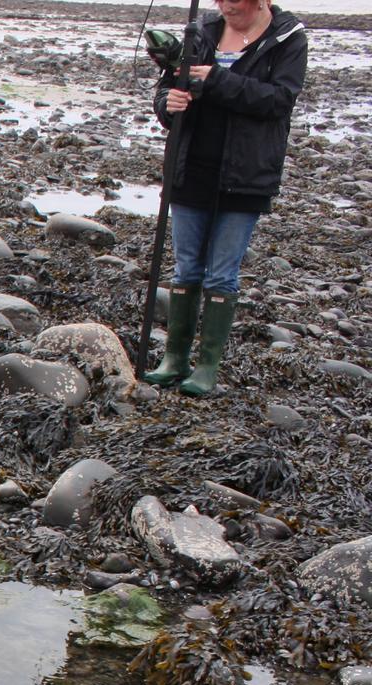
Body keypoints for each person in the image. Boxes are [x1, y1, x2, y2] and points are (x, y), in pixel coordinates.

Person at [144, 0, 307, 396]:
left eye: (236, 3)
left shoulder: (288, 38)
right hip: (190, 168)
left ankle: (207, 367)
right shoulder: (201, 33)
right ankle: (174, 359)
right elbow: (168, 89)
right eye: (222, 1)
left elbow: (278, 101)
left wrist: (215, 80)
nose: (226, 8)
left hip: (245, 175)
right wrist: (169, 103)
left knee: (221, 273)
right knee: (185, 270)